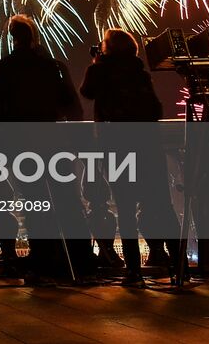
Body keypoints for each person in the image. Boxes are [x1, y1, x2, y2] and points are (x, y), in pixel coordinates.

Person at [0, 15, 93, 282]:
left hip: (21, 142)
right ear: (35, 36)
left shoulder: (4, 67)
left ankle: (44, 265)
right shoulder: (55, 66)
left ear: (13, 38)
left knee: (36, 204)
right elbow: (73, 107)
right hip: (54, 140)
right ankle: (80, 265)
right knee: (68, 201)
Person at [80, 29, 181, 284]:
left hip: (117, 147)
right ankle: (180, 266)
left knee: (125, 207)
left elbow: (87, 91)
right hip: (149, 145)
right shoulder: (140, 73)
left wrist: (97, 62)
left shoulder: (100, 70)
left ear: (109, 49)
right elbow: (156, 109)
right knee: (163, 206)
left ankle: (133, 270)